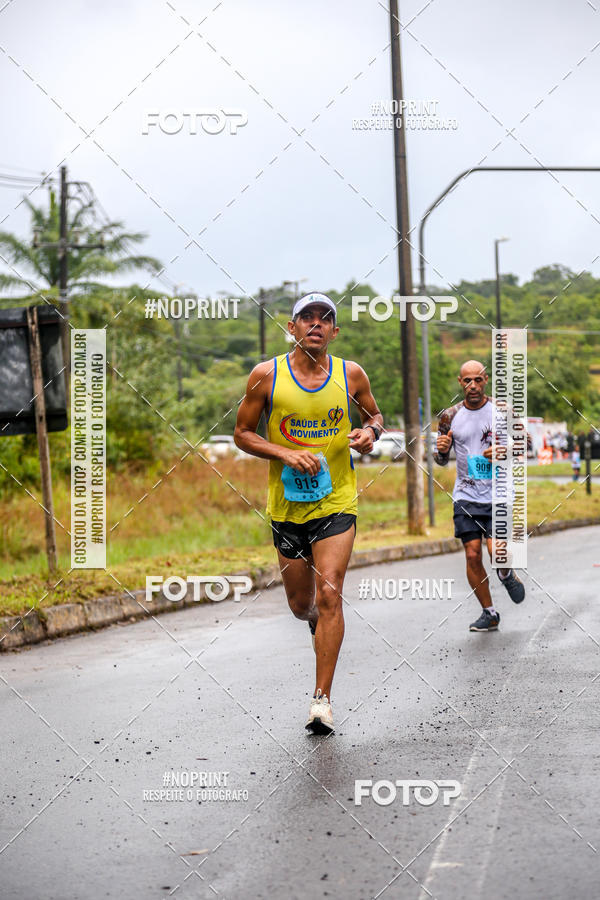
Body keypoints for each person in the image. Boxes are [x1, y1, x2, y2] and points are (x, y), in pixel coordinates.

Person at [234, 292, 383, 734]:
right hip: (286, 508)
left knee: (331, 594)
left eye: (325, 319)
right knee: (304, 606)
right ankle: (318, 625)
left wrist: (369, 432)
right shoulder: (266, 376)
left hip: (337, 502)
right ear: (292, 327)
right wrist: (283, 451)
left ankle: (322, 701)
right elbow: (242, 433)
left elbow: (376, 415)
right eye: (307, 317)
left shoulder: (350, 374)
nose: (316, 324)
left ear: (334, 331)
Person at [434, 359, 525, 632]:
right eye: (467, 380)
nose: (473, 385)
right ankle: (489, 613)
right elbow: (441, 460)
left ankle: (506, 572)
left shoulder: (503, 410)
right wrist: (440, 451)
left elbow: (526, 443)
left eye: (478, 380)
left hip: (498, 493)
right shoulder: (449, 416)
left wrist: (506, 450)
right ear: (460, 382)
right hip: (466, 494)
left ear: (485, 380)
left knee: (495, 550)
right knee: (472, 555)